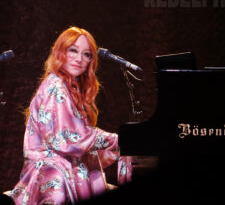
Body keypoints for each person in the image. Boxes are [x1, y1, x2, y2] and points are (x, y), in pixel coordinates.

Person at [5, 27, 132, 205]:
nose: (79, 59)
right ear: (60, 52)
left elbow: (77, 142)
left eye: (87, 54)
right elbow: (70, 138)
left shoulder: (69, 87)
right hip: (50, 170)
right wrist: (119, 140)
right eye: (73, 50)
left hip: (64, 165)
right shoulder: (56, 86)